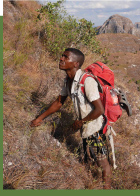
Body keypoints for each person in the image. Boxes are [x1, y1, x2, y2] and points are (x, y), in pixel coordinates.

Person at [30, 48, 112, 189]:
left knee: (103, 164)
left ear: (75, 64)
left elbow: (99, 110)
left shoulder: (87, 81)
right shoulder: (68, 81)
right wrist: (39, 119)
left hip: (96, 128)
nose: (61, 59)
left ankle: (107, 189)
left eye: (65, 57)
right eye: (62, 56)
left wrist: (81, 122)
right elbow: (58, 102)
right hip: (86, 126)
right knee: (90, 157)